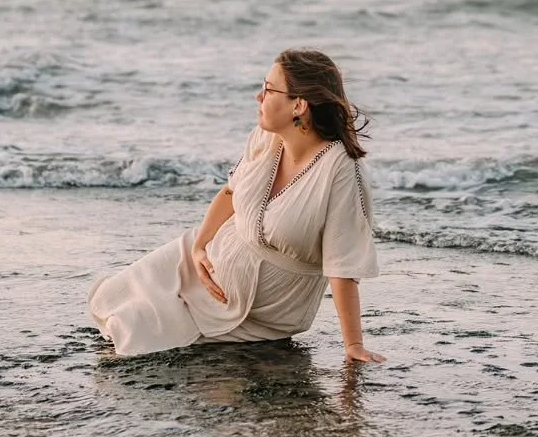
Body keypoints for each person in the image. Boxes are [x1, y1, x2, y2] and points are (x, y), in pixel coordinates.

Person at [88, 49, 386, 363]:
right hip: (207, 259)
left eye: (270, 89)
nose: (259, 96)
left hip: (264, 311)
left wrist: (353, 345)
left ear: (299, 105)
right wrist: (200, 246)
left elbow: (343, 266)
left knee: (141, 339)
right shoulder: (265, 138)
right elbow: (231, 194)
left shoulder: (339, 169)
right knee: (116, 300)